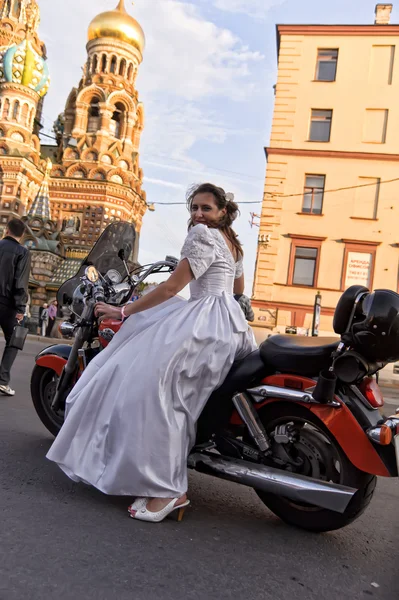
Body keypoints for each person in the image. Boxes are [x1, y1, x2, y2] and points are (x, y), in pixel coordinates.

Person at [47, 183, 257, 523]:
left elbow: (173, 287)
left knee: (151, 388)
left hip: (203, 322)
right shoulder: (232, 243)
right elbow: (237, 289)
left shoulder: (201, 236)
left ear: (221, 211)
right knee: (169, 392)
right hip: (229, 326)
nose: (199, 214)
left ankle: (168, 489)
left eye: (206, 208)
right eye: (195, 208)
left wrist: (123, 312)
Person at [0, 218, 31, 396]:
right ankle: (2, 380)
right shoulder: (22, 252)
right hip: (8, 304)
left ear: (6, 230)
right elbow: (20, 283)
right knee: (14, 339)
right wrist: (20, 309)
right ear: (22, 235)